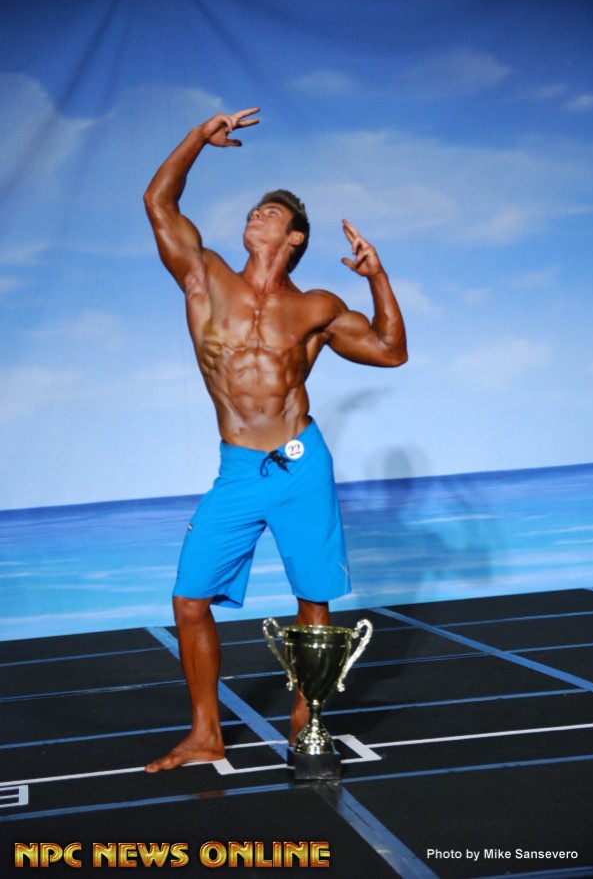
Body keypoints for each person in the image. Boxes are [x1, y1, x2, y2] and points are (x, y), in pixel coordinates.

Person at [143, 107, 408, 772]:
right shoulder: (205, 277)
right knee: (189, 598)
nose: (257, 214)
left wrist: (376, 277)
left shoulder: (315, 306)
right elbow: (159, 202)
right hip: (239, 468)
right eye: (254, 210)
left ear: (294, 238)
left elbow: (390, 351)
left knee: (313, 601)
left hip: (300, 462)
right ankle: (206, 733)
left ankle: (306, 723)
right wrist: (198, 137)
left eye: (272, 213)